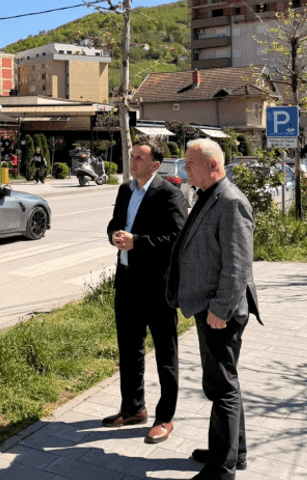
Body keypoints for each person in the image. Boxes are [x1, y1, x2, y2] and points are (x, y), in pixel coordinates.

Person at [165, 139, 262, 480]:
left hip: (221, 311)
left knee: (221, 388)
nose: (185, 169)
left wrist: (220, 309)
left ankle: (221, 468)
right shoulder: (208, 194)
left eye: (191, 164)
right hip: (211, 307)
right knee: (225, 384)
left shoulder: (231, 201)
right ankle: (235, 452)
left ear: (214, 166)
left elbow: (237, 266)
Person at [103, 139, 187, 443]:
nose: (133, 161)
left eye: (139, 157)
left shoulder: (170, 194)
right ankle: (133, 408)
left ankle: (165, 418)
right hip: (126, 282)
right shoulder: (126, 189)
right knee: (129, 349)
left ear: (155, 164)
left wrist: (138, 241)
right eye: (132, 156)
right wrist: (115, 235)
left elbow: (177, 239)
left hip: (158, 287)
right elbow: (114, 223)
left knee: (166, 353)